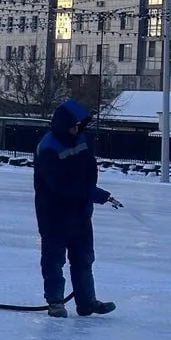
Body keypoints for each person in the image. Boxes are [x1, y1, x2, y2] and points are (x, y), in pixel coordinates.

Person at [34, 98, 121, 318]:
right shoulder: (48, 147)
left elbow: (90, 171)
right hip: (53, 214)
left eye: (78, 126)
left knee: (83, 258)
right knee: (54, 260)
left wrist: (90, 193)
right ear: (63, 125)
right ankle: (55, 302)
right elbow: (58, 185)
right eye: (72, 126)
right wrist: (91, 193)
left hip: (80, 213)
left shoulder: (81, 140)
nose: (76, 130)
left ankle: (87, 302)